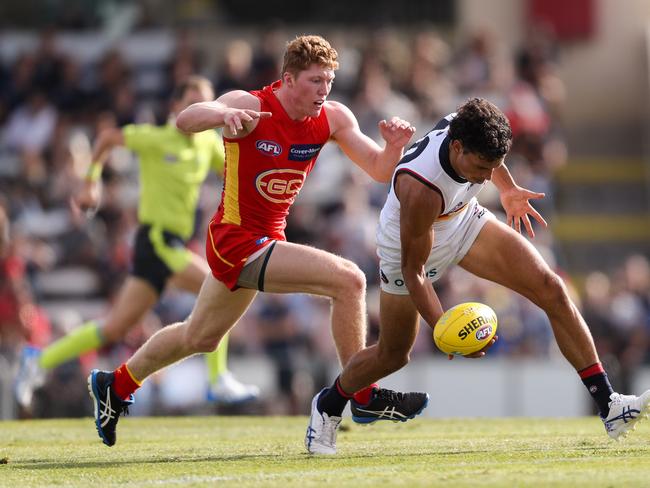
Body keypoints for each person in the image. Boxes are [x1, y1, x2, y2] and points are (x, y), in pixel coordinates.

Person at [87, 34, 427, 454]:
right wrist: (223, 112)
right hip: (236, 239)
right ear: (288, 79)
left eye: (329, 81)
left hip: (264, 241)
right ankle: (361, 394)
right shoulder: (252, 106)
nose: (324, 90)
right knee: (350, 281)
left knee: (199, 337)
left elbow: (378, 169)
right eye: (315, 81)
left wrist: (393, 148)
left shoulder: (333, 118)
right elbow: (186, 120)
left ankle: (113, 385)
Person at [326, 97, 650, 440]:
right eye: (480, 168)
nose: (484, 177)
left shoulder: (475, 136)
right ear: (457, 148)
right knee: (393, 354)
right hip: (406, 248)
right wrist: (444, 330)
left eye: (491, 167)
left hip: (461, 220)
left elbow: (493, 161)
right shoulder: (420, 185)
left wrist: (507, 189)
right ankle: (328, 404)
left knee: (551, 287)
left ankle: (610, 405)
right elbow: (414, 271)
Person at [14, 75, 259, 409]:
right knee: (222, 289)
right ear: (175, 107)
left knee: (115, 327)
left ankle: (38, 360)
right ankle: (217, 380)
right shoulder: (156, 138)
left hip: (169, 246)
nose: (200, 109)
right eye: (191, 101)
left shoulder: (207, 145)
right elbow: (107, 139)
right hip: (156, 240)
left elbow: (234, 172)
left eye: (206, 103)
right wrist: (91, 183)